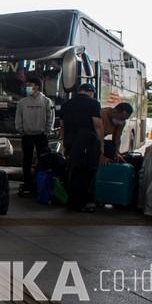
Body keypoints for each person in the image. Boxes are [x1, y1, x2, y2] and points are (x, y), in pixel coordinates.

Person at [60, 83, 103, 212]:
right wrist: (101, 144)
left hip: (70, 142)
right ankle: (81, 203)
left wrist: (64, 143)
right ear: (91, 92)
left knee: (72, 171)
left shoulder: (66, 104)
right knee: (85, 173)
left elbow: (62, 126)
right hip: (85, 143)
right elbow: (98, 125)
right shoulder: (93, 103)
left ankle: (71, 201)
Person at [16, 77, 55, 195]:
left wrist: (47, 131)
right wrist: (21, 130)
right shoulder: (22, 102)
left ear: (37, 86)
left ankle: (40, 181)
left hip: (41, 135)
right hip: (27, 135)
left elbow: (50, 118)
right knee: (26, 160)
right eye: (27, 85)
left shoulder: (46, 101)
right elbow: (18, 118)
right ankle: (27, 181)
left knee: (42, 159)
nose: (27, 87)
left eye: (30, 85)